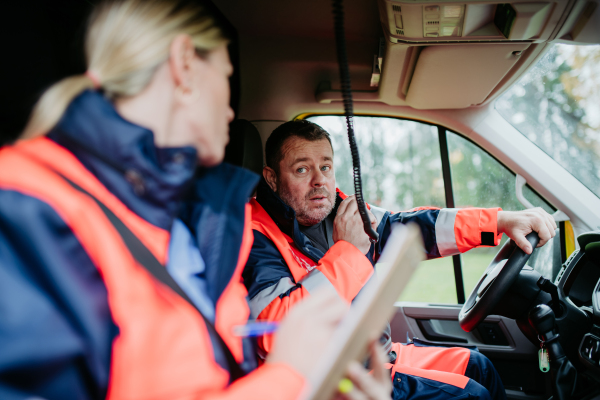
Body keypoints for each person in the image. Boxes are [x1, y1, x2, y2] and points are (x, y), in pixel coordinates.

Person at [0, 1, 393, 399]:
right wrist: (290, 376)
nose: (229, 110)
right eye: (226, 78)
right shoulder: (25, 209)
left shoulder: (194, 222)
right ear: (184, 65)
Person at [242, 119, 558, 400]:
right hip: (331, 380)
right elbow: (276, 332)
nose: (319, 180)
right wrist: (348, 252)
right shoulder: (254, 237)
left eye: (325, 166)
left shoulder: (342, 211)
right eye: (302, 169)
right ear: (271, 179)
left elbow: (416, 228)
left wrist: (498, 223)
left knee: (479, 367)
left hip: (375, 356)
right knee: (471, 395)